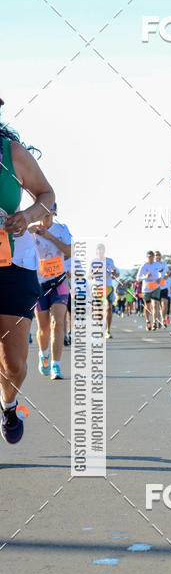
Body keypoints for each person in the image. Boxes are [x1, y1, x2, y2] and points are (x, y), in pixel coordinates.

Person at [0, 101, 55, 443]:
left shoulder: (12, 153)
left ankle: (8, 404)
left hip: (13, 265)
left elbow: (47, 195)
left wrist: (28, 215)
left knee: (14, 363)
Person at [31, 203, 72, 381]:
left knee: (58, 323)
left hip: (59, 282)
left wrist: (49, 236)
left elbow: (69, 251)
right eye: (43, 213)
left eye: (50, 213)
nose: (46, 216)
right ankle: (43, 354)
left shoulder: (62, 230)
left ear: (54, 212)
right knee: (43, 328)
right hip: (40, 285)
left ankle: (56, 365)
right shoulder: (31, 231)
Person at [89, 244, 119, 339]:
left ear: (104, 251)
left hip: (108, 287)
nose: (100, 252)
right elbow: (89, 276)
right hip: (97, 287)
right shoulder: (93, 262)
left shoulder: (109, 261)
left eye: (102, 250)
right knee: (98, 310)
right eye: (98, 250)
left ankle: (107, 330)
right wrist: (96, 271)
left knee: (108, 308)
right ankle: (100, 328)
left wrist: (114, 273)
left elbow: (117, 274)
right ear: (96, 251)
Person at [136, 250, 162, 330]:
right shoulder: (144, 266)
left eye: (152, 257)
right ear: (147, 257)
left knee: (155, 305)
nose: (151, 259)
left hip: (155, 287)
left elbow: (162, 272)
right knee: (147, 306)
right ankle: (147, 321)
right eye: (149, 257)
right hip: (146, 289)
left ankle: (154, 322)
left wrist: (160, 278)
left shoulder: (157, 264)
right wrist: (145, 277)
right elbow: (138, 278)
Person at [154, 250, 171, 326]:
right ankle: (157, 321)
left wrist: (167, 274)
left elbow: (167, 271)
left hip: (164, 286)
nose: (157, 256)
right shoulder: (153, 264)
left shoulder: (164, 263)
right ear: (154, 257)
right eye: (156, 255)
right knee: (156, 306)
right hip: (155, 287)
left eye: (158, 255)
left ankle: (163, 319)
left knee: (165, 304)